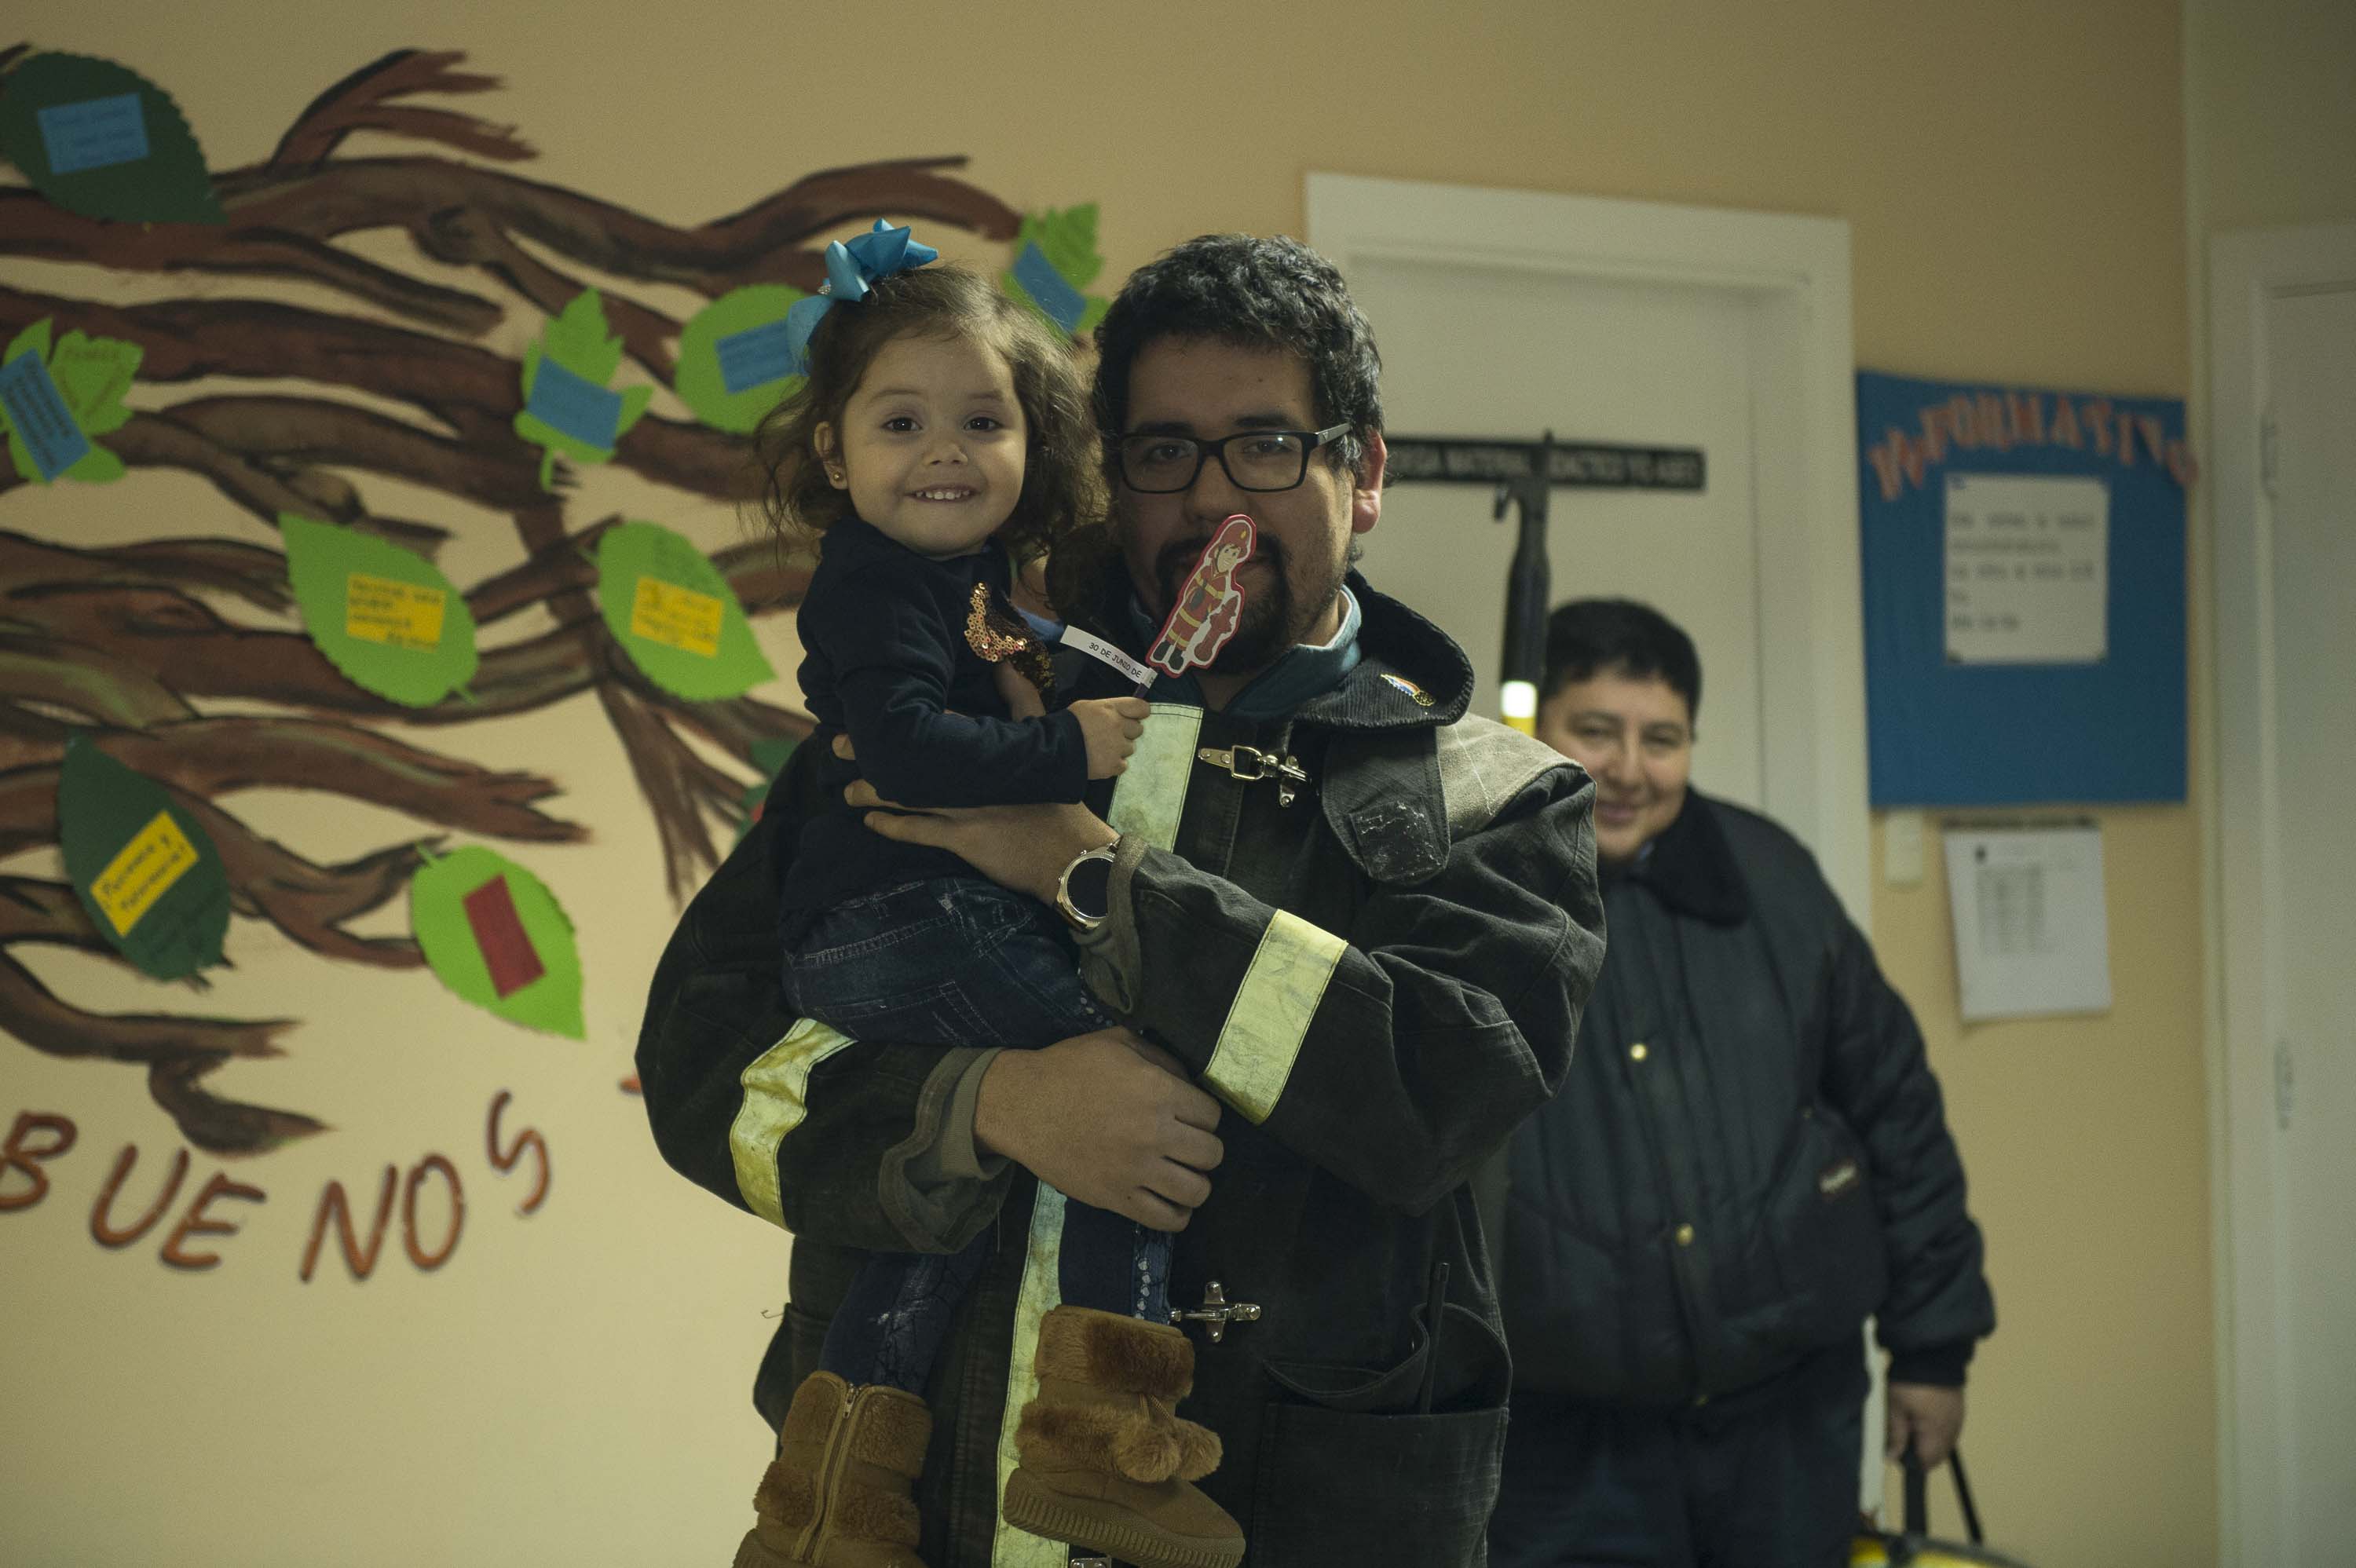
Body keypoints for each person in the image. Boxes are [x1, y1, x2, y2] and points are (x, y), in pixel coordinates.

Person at [637, 232, 1606, 1568]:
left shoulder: (1495, 797)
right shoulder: (960, 716)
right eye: (1162, 451)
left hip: (1294, 1521)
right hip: (922, 1528)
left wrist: (1092, 875)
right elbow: (706, 1063)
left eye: (1267, 445)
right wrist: (985, 1106)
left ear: (1364, 472)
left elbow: (1433, 1097)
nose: (1213, 498)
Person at [748, 224, 1232, 1568]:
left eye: (982, 419)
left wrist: (1065, 680)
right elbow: (907, 749)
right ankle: (1107, 1445)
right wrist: (1066, 752)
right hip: (900, 927)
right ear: (835, 453)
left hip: (897, 931)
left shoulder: (958, 582)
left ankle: (834, 1497)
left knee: (939, 1220)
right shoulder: (876, 580)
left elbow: (984, 682)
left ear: (1033, 444)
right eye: (901, 421)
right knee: (1132, 1104)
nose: (945, 450)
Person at [1483, 598, 1996, 1568]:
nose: (1629, 768)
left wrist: (1933, 1347)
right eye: (1596, 729)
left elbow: (1898, 1112)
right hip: (1567, 1450)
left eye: (1661, 739)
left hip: (1791, 1428)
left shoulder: (1775, 880)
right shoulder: (1470, 892)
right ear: (1536, 723)